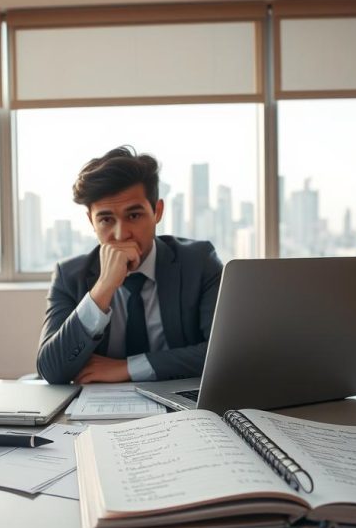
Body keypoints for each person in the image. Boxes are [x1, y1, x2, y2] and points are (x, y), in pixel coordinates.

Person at [36, 146, 223, 385]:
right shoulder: (69, 276)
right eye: (105, 219)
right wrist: (103, 289)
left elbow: (221, 355)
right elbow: (51, 370)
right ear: (91, 222)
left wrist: (128, 368)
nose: (121, 234)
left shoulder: (199, 262)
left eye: (134, 216)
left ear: (157, 211)